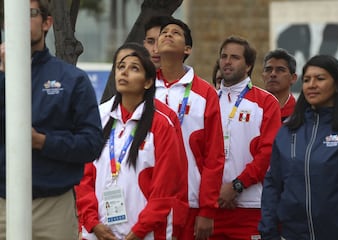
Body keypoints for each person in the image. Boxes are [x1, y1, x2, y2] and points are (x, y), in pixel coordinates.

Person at [0, 0, 104, 239]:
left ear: (47, 22)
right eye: (12, 15)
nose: (17, 21)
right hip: (3, 205)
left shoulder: (71, 79)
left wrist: (42, 142)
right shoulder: (1, 73)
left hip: (53, 207)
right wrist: (4, 76)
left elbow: (91, 144)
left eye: (30, 14)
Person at [76, 46, 188, 240]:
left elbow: (165, 189)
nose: (124, 72)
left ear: (148, 82)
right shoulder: (99, 116)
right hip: (98, 233)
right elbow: (83, 177)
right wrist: (93, 223)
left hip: (145, 233)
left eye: (134, 68)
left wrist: (138, 232)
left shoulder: (162, 124)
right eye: (121, 67)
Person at [259, 55, 338, 240]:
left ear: (337, 85)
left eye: (320, 79)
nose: (311, 85)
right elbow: (273, 185)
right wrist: (269, 232)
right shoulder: (288, 131)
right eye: (306, 80)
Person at [156, 17, 225, 240]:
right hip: (145, 198)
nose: (167, 34)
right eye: (164, 32)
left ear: (187, 48)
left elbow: (214, 156)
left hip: (190, 200)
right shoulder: (143, 87)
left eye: (175, 33)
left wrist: (207, 210)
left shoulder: (205, 93)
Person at [210, 36, 281, 240]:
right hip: (211, 207)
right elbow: (199, 153)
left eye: (235, 57)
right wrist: (216, 191)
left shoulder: (266, 102)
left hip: (251, 205)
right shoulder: (207, 100)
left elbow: (268, 152)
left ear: (248, 65)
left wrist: (236, 186)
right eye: (224, 56)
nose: (227, 62)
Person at [100, 15, 172, 104]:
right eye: (150, 42)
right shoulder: (123, 83)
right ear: (144, 44)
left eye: (162, 42)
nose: (155, 49)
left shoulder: (191, 87)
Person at [262, 48, 297, 122]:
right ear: (262, 76)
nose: (273, 74)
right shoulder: (252, 110)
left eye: (280, 70)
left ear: (293, 78)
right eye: (268, 70)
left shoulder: (301, 114)